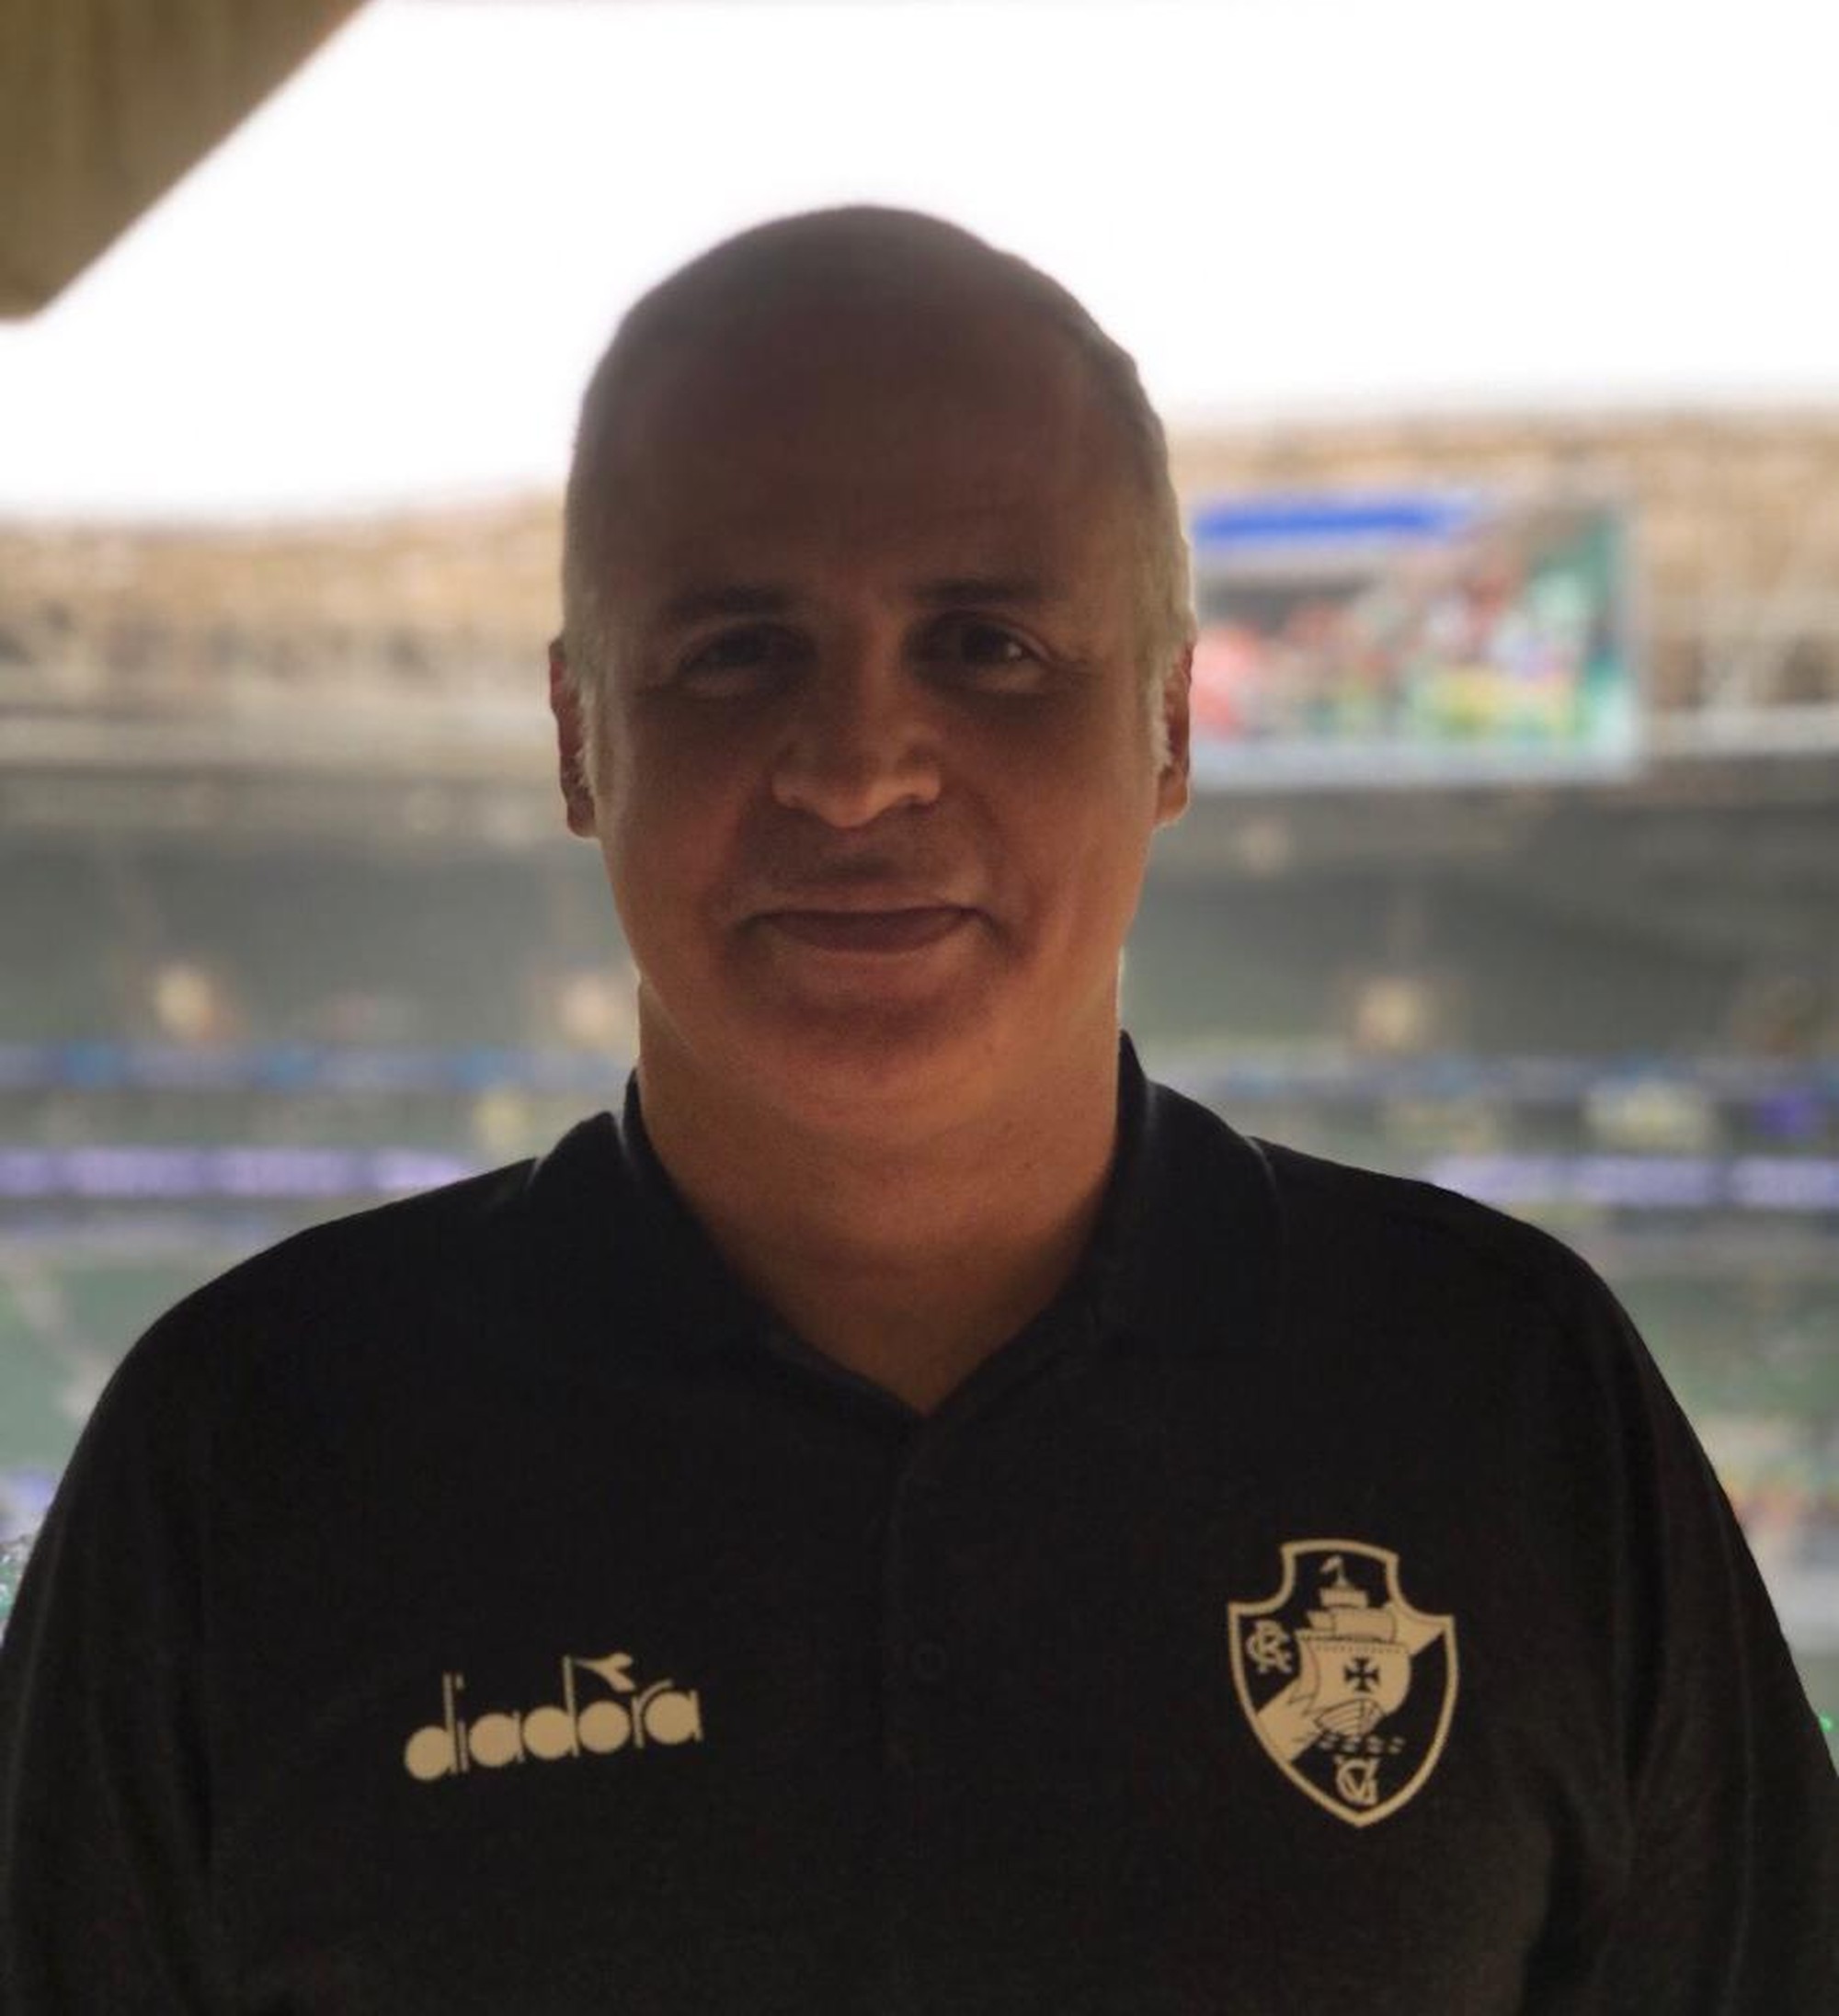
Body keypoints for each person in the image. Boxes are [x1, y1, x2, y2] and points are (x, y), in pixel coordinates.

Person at [1, 207, 1833, 2014]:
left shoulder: (1508, 1398)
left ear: (1171, 725)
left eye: (989, 645)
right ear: (578, 739)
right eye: (736, 651)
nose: (859, 770)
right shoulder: (245, 1448)